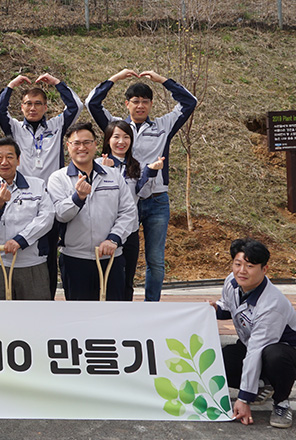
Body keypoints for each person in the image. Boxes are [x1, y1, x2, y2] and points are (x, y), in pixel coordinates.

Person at [85, 69, 197, 301]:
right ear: (127, 104)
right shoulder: (117, 128)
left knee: (155, 259)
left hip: (157, 200)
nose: (140, 106)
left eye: (145, 102)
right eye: (135, 101)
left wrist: (161, 80)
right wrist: (115, 78)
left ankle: (150, 305)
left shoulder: (164, 126)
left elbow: (189, 101)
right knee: (121, 255)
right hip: (125, 202)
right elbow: (92, 102)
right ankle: (119, 300)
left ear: (151, 104)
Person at [0, 73, 83, 296]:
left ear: (46, 107)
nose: (32, 108)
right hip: (22, 199)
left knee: (49, 251)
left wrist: (56, 83)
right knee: (24, 248)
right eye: (28, 104)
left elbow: (76, 106)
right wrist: (11, 85)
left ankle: (48, 297)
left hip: (52, 198)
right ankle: (17, 295)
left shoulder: (57, 125)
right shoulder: (15, 128)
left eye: (37, 104)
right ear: (22, 107)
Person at [46, 122, 136, 301]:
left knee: (113, 314)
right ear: (68, 146)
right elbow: (60, 215)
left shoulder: (114, 176)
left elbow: (128, 212)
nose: (82, 147)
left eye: (87, 142)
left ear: (95, 145)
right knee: (81, 318)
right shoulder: (58, 179)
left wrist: (114, 239)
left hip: (111, 258)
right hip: (75, 259)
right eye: (76, 143)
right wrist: (77, 197)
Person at [212, 238, 296, 429]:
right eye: (238, 264)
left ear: (264, 269)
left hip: (286, 352)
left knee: (275, 356)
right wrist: (215, 308)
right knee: (216, 363)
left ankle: (281, 401)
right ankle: (261, 385)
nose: (242, 271)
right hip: (251, 344)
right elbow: (228, 306)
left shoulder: (272, 304)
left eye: (250, 266)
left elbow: (257, 350)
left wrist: (243, 399)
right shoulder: (232, 282)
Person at [0, 137, 54, 300]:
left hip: (32, 264)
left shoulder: (37, 185)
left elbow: (47, 218)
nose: (4, 162)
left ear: (18, 160)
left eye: (10, 157)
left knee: (35, 317)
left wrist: (20, 240)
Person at [99, 121, 163, 300]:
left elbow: (142, 194)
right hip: (103, 230)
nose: (121, 141)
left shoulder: (137, 166)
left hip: (129, 230)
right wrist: (105, 171)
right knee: (103, 276)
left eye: (126, 137)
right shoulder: (97, 164)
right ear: (108, 140)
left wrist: (150, 173)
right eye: (116, 137)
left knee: (127, 278)